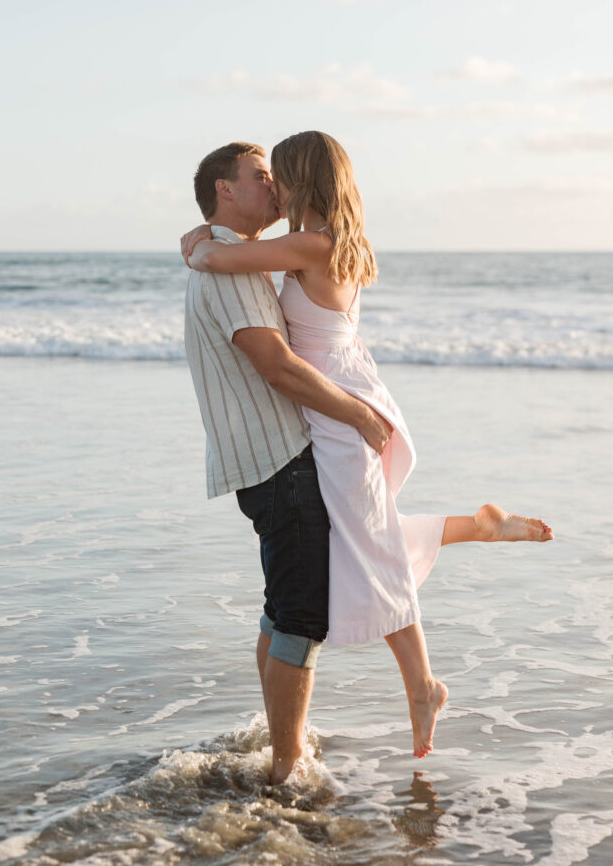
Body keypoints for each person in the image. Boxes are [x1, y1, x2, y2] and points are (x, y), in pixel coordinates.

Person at [182, 131, 554, 768]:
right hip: (344, 394)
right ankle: (477, 530)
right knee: (363, 538)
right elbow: (242, 265)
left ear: (302, 182)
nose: (272, 186)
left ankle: (422, 683)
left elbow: (220, 264)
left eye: (280, 176)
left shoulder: (308, 245)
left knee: (369, 540)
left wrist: (195, 242)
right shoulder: (328, 244)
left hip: (339, 407)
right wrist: (208, 239)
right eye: (261, 176)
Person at [182, 141, 392, 785]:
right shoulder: (234, 268)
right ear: (226, 188)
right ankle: (285, 769)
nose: (273, 188)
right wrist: (359, 415)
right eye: (260, 177)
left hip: (263, 459)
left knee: (282, 608)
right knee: (301, 615)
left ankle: (282, 743)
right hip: (281, 461)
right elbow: (277, 366)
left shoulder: (223, 254)